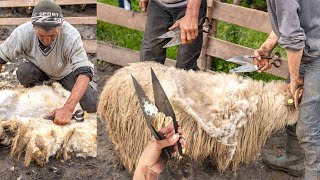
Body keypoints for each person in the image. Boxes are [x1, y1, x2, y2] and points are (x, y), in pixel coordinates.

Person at [0, 0, 97, 125]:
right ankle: (44, 97)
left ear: (60, 26)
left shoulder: (71, 36)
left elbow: (84, 71)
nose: (47, 40)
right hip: (39, 70)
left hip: (65, 72)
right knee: (24, 72)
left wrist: (68, 108)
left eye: (52, 36)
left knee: (92, 104)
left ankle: (72, 95)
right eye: (41, 35)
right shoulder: (23, 33)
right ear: (33, 27)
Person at [254, 0, 320, 178]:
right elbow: (291, 19)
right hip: (310, 48)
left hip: (315, 57)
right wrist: (267, 47)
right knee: (293, 108)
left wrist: (295, 78)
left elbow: (293, 36)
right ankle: (294, 160)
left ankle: (314, 173)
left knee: (309, 131)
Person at [139, 0, 207, 70]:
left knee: (185, 68)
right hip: (158, 3)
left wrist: (191, 15)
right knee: (148, 61)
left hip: (189, 4)